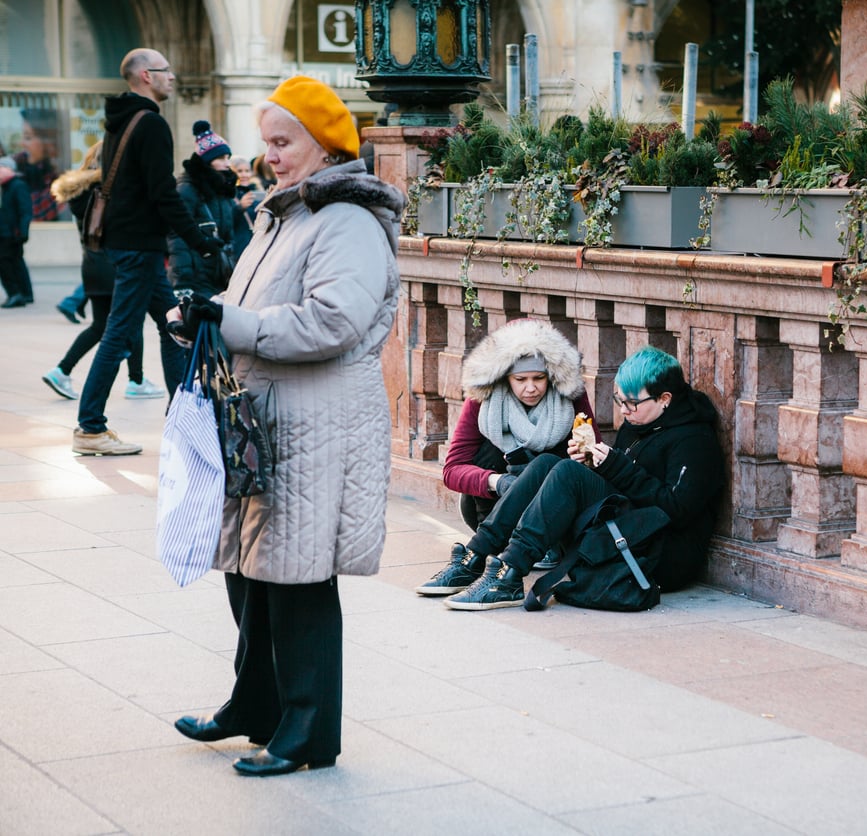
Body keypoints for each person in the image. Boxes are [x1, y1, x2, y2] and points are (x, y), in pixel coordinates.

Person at [167, 75, 402, 777]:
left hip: (316, 425)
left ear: (325, 144)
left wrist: (231, 320)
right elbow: (255, 303)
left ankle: (307, 734)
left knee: (298, 582)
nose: (268, 155)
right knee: (251, 574)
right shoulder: (286, 215)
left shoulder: (346, 221)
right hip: (267, 420)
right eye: (266, 142)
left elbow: (333, 322)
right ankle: (255, 707)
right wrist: (203, 314)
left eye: (282, 142)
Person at [444, 345, 725, 611]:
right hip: (625, 529)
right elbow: (623, 485)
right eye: (619, 400)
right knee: (547, 464)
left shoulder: (694, 440)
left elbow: (677, 509)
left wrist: (615, 467)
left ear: (664, 399)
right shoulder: (640, 421)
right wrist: (593, 464)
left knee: (567, 472)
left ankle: (510, 572)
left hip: (658, 554)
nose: (624, 411)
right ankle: (475, 554)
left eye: (632, 403)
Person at [71, 48, 223, 456]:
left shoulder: (122, 122)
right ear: (145, 76)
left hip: (134, 244)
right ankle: (90, 427)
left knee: (174, 326)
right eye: (165, 70)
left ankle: (183, 417)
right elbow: (163, 193)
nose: (172, 76)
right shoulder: (151, 123)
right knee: (118, 333)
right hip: (138, 246)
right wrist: (200, 242)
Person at [416, 318, 601, 596]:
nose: (531, 388)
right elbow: (452, 469)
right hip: (496, 509)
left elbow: (597, 456)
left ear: (551, 376)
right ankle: (479, 556)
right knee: (486, 451)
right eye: (520, 380)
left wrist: (584, 457)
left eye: (539, 378)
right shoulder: (483, 399)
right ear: (505, 377)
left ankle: (478, 557)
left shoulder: (569, 395)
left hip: (554, 509)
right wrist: (498, 482)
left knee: (547, 463)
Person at [42, 143, 159, 400]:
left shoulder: (80, 190)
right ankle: (136, 381)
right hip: (116, 264)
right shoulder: (109, 189)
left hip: (93, 266)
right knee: (132, 321)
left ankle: (62, 371)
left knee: (100, 326)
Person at [168, 122, 251, 296]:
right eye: (221, 158)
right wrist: (182, 281)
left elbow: (226, 229)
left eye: (228, 158)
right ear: (207, 161)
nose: (227, 164)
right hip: (198, 273)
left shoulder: (222, 188)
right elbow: (178, 236)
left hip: (222, 271)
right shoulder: (188, 188)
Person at [16, 108, 63, 221]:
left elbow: (32, 215)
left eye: (28, 137)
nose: (22, 143)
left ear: (47, 142)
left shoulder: (58, 181)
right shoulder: (23, 164)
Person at [0, 156, 34, 308]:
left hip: (11, 233)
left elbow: (25, 211)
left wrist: (23, 231)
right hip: (7, 232)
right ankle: (24, 294)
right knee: (16, 262)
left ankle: (15, 294)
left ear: (9, 169)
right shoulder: (5, 187)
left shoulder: (17, 186)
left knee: (7, 264)